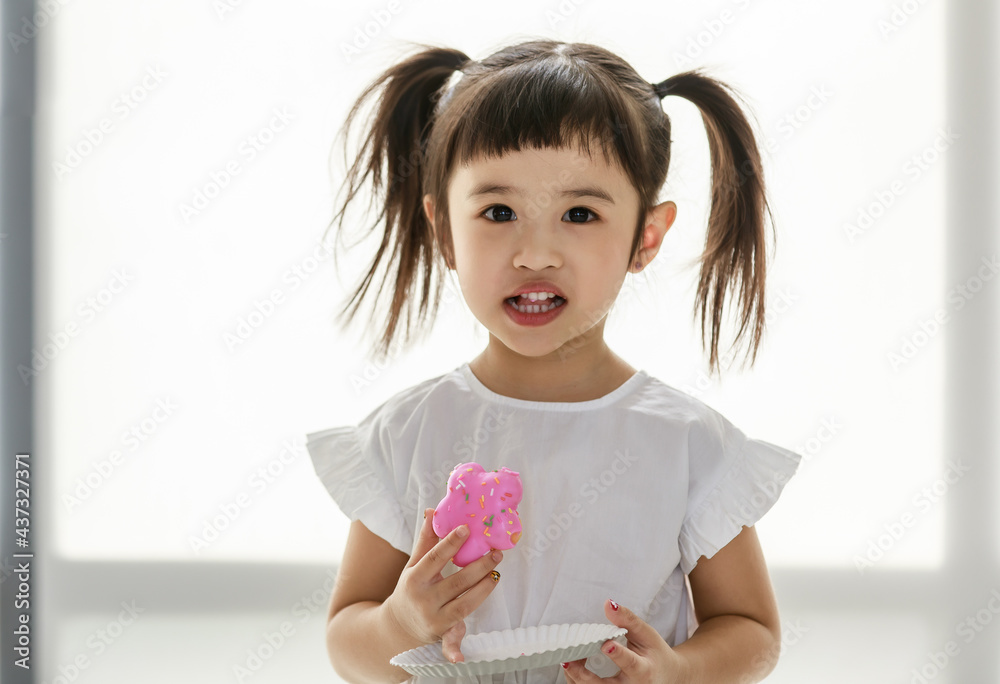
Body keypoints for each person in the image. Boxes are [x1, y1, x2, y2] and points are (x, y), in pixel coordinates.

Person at [306, 38, 802, 684]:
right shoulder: (411, 435)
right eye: (499, 211)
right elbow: (347, 636)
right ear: (444, 232)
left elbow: (752, 631)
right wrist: (401, 623)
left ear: (645, 237)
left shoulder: (685, 445)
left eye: (579, 213)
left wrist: (677, 671)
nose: (536, 253)